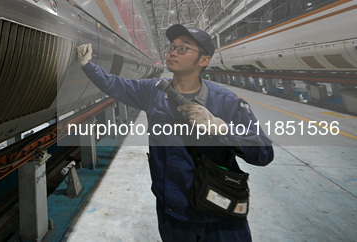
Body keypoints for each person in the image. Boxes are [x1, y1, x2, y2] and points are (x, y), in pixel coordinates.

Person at [77, 24, 273, 241]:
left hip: (219, 215)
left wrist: (223, 129)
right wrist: (88, 66)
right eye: (172, 47)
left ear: (203, 60)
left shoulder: (226, 102)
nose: (172, 52)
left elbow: (264, 152)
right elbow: (116, 85)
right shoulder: (154, 91)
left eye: (182, 49)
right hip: (174, 213)